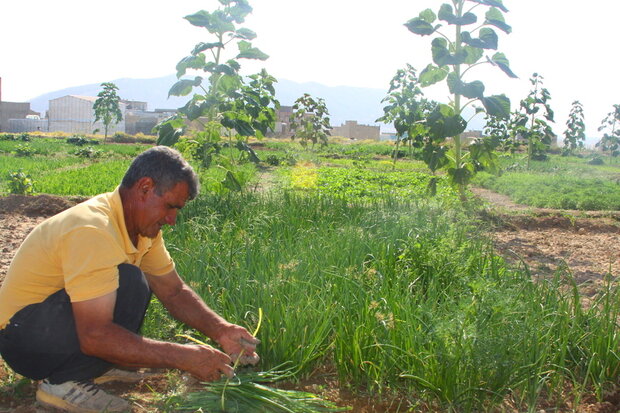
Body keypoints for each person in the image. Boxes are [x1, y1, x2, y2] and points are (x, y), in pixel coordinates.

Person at [0, 146, 260, 412]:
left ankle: (92, 368)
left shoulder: (142, 230)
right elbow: (95, 336)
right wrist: (183, 357)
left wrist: (222, 330)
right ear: (145, 188)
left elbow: (173, 291)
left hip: (51, 328)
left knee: (133, 282)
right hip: (25, 339)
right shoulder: (93, 229)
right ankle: (61, 385)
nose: (172, 220)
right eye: (170, 207)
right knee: (129, 280)